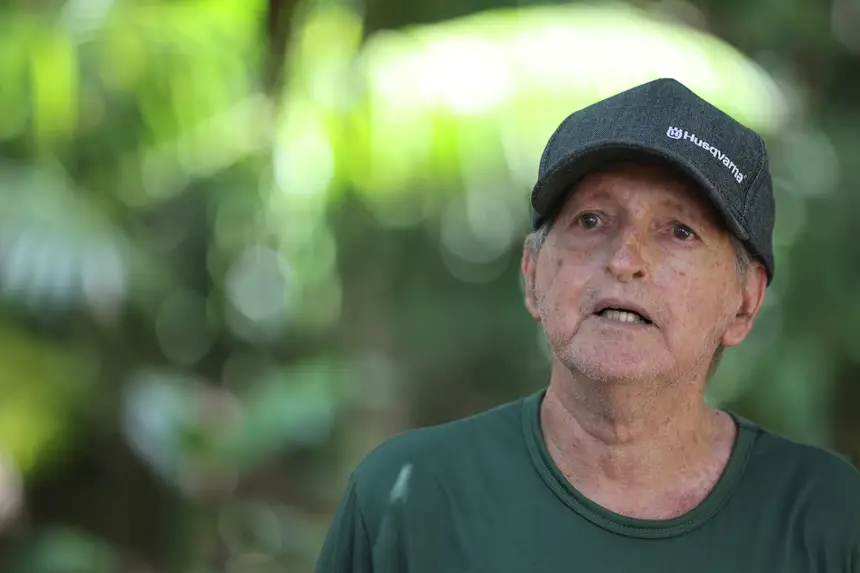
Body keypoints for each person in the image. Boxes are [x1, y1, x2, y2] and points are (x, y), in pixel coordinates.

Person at [315, 78, 860, 572]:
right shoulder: (407, 500)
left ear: (744, 303)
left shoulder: (828, 517)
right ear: (533, 274)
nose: (625, 259)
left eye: (679, 231)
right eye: (591, 220)